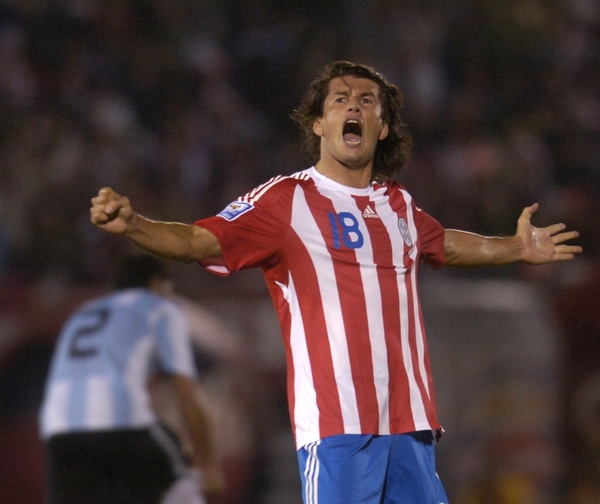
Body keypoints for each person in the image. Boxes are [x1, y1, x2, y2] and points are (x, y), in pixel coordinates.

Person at [89, 61, 582, 504]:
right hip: (339, 429)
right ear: (319, 123)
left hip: (412, 427)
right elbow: (198, 240)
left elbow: (445, 245)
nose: (355, 107)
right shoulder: (286, 200)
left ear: (382, 127)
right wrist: (135, 225)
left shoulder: (399, 206)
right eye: (340, 100)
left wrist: (515, 247)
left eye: (368, 101)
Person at [39, 253, 223, 504]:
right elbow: (187, 394)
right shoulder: (161, 307)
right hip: (121, 426)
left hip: (60, 432)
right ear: (157, 282)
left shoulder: (82, 312)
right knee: (185, 480)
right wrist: (209, 466)